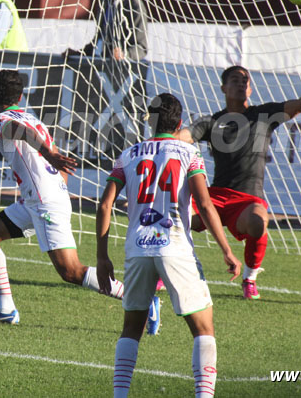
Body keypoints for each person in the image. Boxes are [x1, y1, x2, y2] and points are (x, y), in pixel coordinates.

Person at [0, 70, 156, 324]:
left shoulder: (1, 119)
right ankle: (5, 310)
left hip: (43, 202)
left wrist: (47, 156)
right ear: (22, 96)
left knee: (71, 271)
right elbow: (59, 163)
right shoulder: (34, 120)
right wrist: (55, 178)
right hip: (35, 200)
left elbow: (17, 130)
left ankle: (142, 301)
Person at [96, 93, 241, 398]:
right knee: (203, 328)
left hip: (137, 250)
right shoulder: (189, 153)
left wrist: (102, 256)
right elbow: (203, 202)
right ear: (179, 122)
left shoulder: (128, 154)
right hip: (174, 248)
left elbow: (105, 205)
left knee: (131, 328)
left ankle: (119, 395)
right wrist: (226, 249)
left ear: (150, 119)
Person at [177, 50, 301, 299]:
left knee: (259, 221)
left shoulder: (263, 115)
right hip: (213, 197)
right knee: (173, 214)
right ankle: (169, 271)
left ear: (250, 89)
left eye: (245, 81)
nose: (241, 84)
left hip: (246, 199)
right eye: (235, 80)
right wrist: (160, 136)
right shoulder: (211, 122)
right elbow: (184, 136)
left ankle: (249, 278)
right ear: (223, 88)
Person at [65, 0, 150, 158]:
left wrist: (125, 55)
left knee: (124, 124)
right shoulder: (104, 2)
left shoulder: (134, 4)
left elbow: (142, 48)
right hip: (105, 74)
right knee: (100, 119)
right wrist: (80, 53)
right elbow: (99, 39)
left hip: (127, 77)